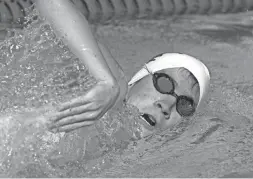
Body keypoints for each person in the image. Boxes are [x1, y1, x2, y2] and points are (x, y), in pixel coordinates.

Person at [35, 0, 210, 138]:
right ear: (138, 80)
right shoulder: (115, 98)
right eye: (165, 84)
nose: (167, 106)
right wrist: (105, 80)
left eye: (185, 106)